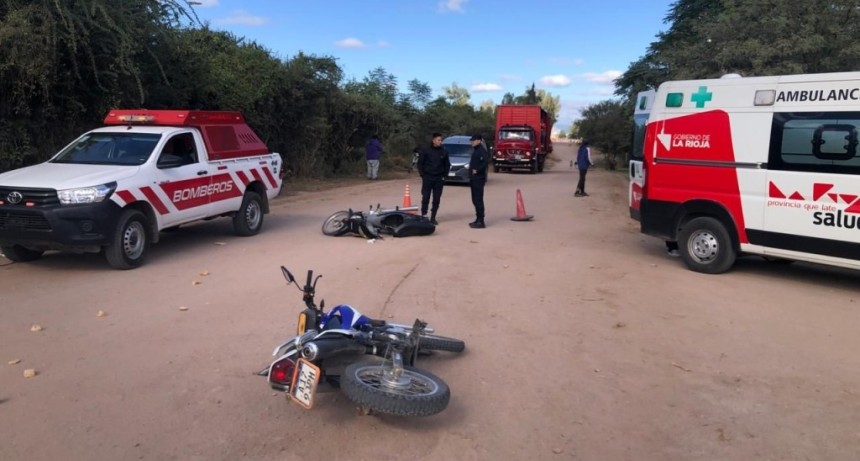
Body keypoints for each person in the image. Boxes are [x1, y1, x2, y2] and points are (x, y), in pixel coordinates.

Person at [417, 132, 451, 225]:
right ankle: (424, 215)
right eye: (438, 140)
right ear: (433, 140)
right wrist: (422, 175)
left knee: (436, 198)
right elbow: (420, 163)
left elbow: (447, 165)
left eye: (441, 140)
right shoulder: (426, 150)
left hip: (439, 178)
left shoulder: (444, 151)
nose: (440, 142)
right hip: (428, 177)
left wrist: (444, 176)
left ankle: (433, 217)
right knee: (425, 197)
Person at [468, 134, 489, 228]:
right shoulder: (476, 150)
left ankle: (481, 221)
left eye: (474, 140)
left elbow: (485, 162)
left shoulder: (481, 150)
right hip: (474, 178)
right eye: (471, 140)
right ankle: (477, 219)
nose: (472, 142)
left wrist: (478, 170)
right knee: (475, 199)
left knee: (478, 199)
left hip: (478, 178)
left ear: (479, 141)